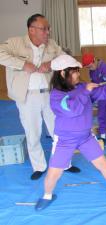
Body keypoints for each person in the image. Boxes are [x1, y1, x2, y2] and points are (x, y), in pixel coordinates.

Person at [35, 55, 106, 211]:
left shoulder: (82, 87)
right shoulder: (56, 95)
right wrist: (85, 92)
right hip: (65, 140)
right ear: (62, 73)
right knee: (54, 173)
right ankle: (47, 195)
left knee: (103, 165)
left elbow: (103, 91)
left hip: (86, 137)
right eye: (75, 72)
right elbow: (72, 109)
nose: (78, 74)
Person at [0, 14, 80, 180]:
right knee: (33, 133)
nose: (47, 32)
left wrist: (50, 64)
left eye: (48, 28)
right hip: (27, 97)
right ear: (31, 30)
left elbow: (66, 58)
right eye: (44, 29)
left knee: (58, 130)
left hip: (51, 95)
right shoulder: (15, 43)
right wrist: (22, 64)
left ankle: (64, 163)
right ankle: (39, 166)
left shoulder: (51, 45)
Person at [82, 53, 106, 144]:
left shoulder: (105, 68)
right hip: (101, 96)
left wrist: (98, 88)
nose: (90, 69)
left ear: (94, 60)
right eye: (88, 67)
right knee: (101, 115)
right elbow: (94, 82)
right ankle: (103, 135)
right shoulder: (92, 70)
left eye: (90, 66)